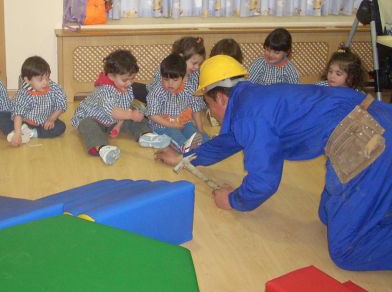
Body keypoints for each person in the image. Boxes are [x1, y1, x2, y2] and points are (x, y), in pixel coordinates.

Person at [156, 55, 392, 271]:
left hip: (372, 139)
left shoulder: (251, 114)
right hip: (372, 121)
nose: (211, 113)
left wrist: (232, 200)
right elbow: (228, 141)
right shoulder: (249, 99)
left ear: (220, 97)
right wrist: (183, 157)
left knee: (346, 251)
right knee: (327, 215)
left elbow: (263, 182)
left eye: (209, 106)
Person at [71, 49, 170, 165]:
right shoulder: (104, 90)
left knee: (138, 118)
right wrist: (130, 115)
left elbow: (125, 106)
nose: (129, 83)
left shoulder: (127, 88)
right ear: (111, 76)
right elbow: (112, 111)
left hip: (112, 121)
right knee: (87, 125)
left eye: (132, 78)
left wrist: (119, 125)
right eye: (124, 80)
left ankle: (145, 135)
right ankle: (102, 148)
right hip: (93, 120)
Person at [133, 36, 206, 130]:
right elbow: (156, 92)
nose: (197, 67)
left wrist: (197, 125)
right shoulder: (167, 68)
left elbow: (195, 100)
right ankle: (142, 108)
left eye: (199, 64)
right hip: (155, 96)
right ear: (181, 58)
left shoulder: (195, 75)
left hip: (176, 104)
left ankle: (144, 109)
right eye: (194, 63)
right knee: (131, 87)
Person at [0, 56, 67, 146]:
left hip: (44, 122)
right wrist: (17, 133)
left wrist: (52, 119)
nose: (45, 82)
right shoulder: (24, 93)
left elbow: (61, 104)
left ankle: (32, 133)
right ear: (27, 80)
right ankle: (19, 132)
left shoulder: (54, 88)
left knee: (61, 127)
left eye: (47, 78)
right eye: (40, 79)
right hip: (23, 121)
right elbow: (18, 113)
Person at [146, 53, 209, 152]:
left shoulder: (188, 87)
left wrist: (200, 129)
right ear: (161, 76)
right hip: (163, 125)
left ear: (183, 78)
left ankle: (206, 144)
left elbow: (195, 107)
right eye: (166, 79)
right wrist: (172, 125)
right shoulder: (157, 91)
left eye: (175, 80)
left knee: (194, 132)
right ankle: (184, 147)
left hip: (182, 121)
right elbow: (153, 116)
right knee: (175, 135)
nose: (170, 84)